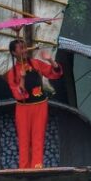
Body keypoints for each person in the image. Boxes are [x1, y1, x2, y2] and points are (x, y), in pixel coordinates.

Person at [6, 38, 63, 169]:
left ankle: (37, 166)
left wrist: (50, 60)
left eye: (25, 47)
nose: (24, 50)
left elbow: (55, 73)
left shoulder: (36, 64)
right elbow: (19, 95)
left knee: (38, 137)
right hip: (23, 108)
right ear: (14, 53)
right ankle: (24, 168)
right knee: (24, 139)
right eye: (20, 48)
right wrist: (22, 79)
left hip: (40, 106)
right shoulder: (12, 73)